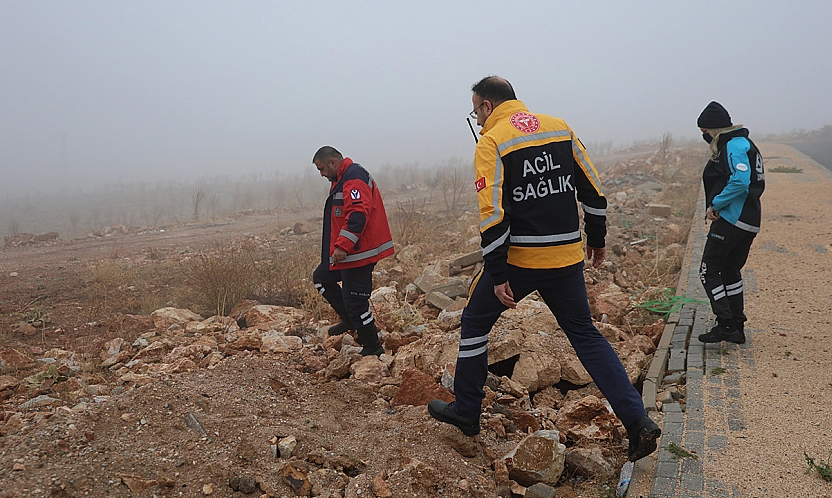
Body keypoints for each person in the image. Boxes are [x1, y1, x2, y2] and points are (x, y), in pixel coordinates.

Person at [428, 76, 660, 462]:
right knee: (585, 335)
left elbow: (493, 213)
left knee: (474, 322)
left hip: (519, 262)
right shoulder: (558, 126)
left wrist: (498, 272)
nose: (478, 120)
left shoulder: (492, 141)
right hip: (566, 259)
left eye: (476, 111)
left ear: (487, 106)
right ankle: (638, 422)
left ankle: (466, 412)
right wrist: (597, 239)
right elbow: (593, 188)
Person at [311, 146, 394, 356]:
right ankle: (349, 319)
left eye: (321, 168)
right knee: (322, 278)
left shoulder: (354, 176)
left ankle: (373, 348)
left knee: (356, 301)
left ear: (332, 162)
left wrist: (343, 245)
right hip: (349, 255)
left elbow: (358, 213)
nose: (321, 174)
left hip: (359, 254)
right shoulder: (341, 178)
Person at [695, 102, 765, 344]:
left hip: (733, 220)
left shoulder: (734, 145)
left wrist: (716, 204)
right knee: (730, 271)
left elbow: (740, 181)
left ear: (714, 130)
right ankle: (736, 327)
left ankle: (724, 324)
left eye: (705, 132)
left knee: (708, 271)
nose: (704, 136)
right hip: (750, 220)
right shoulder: (745, 143)